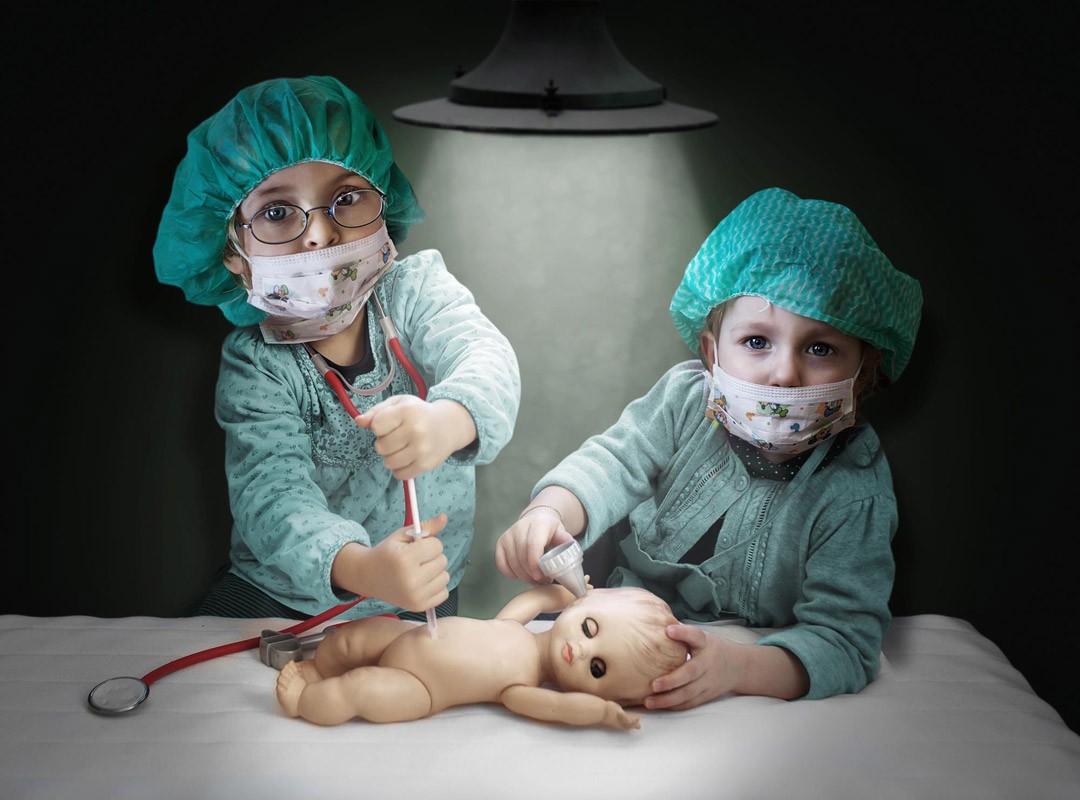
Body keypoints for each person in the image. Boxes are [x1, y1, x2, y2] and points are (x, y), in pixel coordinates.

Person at [495, 187, 922, 710]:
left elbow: (845, 641)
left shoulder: (854, 485)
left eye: (820, 348)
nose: (784, 374)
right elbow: (614, 462)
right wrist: (550, 511)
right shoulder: (684, 401)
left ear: (863, 372)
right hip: (604, 628)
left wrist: (737, 667)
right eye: (757, 342)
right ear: (711, 353)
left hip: (745, 662)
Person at [153, 76, 520, 622]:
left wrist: (449, 420)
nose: (320, 234)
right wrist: (364, 569)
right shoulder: (256, 365)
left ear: (383, 202)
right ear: (231, 251)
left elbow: (485, 357)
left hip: (420, 594)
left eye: (345, 199)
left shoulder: (417, 292)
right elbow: (271, 499)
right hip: (279, 597)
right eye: (277, 213)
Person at [275, 584, 688, 730]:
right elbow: (533, 600)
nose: (582, 650)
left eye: (598, 669)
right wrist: (562, 591)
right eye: (590, 628)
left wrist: (602, 714)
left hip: (420, 689)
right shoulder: (513, 627)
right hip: (411, 636)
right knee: (351, 640)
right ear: (582, 604)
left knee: (361, 688)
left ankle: (305, 702)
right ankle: (316, 667)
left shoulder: (518, 687)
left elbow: (558, 707)